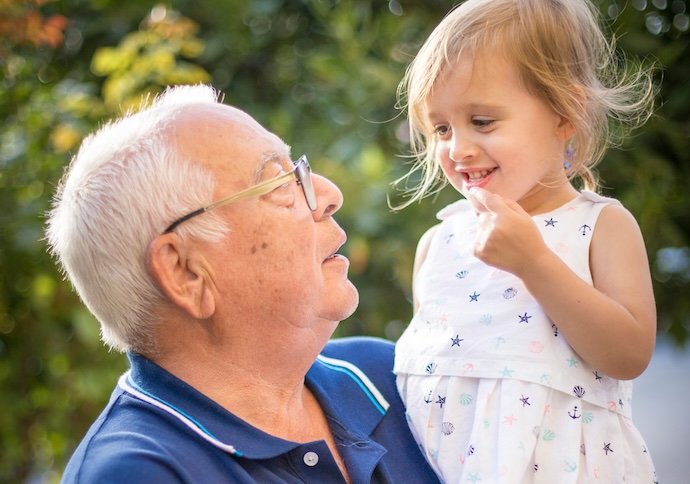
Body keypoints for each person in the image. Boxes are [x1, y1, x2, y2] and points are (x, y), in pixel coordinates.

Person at [46, 84, 440, 483]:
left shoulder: (391, 375)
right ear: (185, 272)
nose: (328, 194)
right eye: (279, 183)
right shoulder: (137, 472)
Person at [391, 0, 658, 482]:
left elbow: (629, 354)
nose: (458, 149)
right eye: (442, 127)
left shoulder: (600, 227)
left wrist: (535, 262)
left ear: (564, 113)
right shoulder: (439, 243)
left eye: (483, 121)